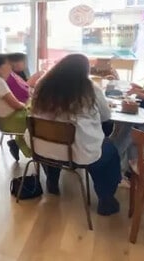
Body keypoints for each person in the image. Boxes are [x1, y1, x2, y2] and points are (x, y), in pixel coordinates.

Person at [31, 53, 122, 215]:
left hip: (41, 147)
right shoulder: (90, 88)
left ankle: (52, 181)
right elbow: (106, 116)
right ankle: (106, 199)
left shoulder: (42, 84)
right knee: (109, 152)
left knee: (54, 141)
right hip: (76, 151)